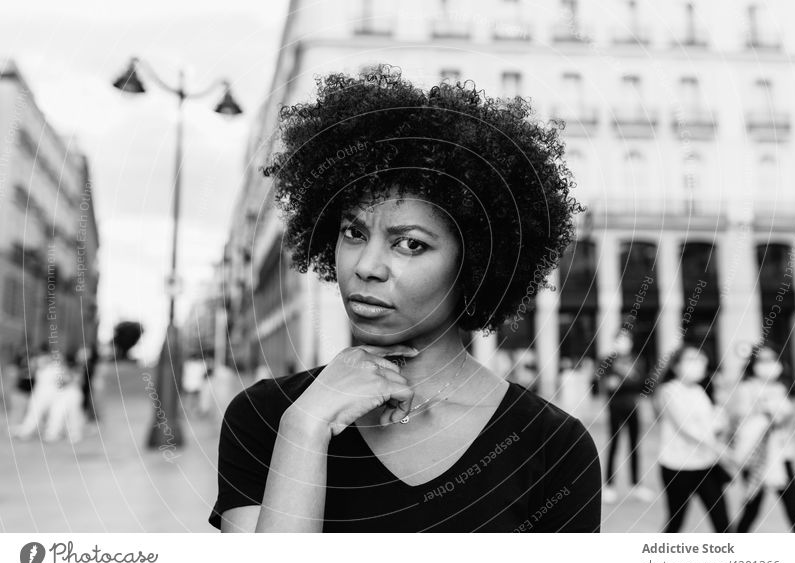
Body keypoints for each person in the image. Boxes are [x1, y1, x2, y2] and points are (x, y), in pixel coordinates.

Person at [209, 65, 601, 533]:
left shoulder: (552, 447)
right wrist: (306, 429)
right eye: (353, 232)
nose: (366, 266)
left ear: (475, 261)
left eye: (409, 243)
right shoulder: (267, 418)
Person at [653, 343, 732, 533]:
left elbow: (717, 423)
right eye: (691, 359)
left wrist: (720, 400)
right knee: (676, 522)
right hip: (677, 466)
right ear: (676, 365)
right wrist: (721, 448)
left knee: (723, 523)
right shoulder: (668, 391)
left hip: (706, 464)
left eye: (700, 359)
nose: (698, 364)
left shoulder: (700, 391)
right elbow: (686, 427)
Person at [728, 342, 795, 532]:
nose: (769, 364)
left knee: (793, 508)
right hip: (757, 456)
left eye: (772, 359)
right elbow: (738, 421)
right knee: (753, 508)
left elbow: (787, 418)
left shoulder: (779, 388)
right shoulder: (746, 388)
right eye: (763, 360)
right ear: (753, 364)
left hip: (782, 454)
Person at [596, 326, 654, 503]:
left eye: (626, 339)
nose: (623, 343)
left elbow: (642, 383)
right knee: (614, 445)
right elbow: (606, 385)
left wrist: (622, 382)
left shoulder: (637, 360)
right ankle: (609, 485)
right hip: (615, 407)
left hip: (632, 406)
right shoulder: (607, 361)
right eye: (620, 339)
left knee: (634, 446)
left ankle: (636, 485)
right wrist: (627, 381)